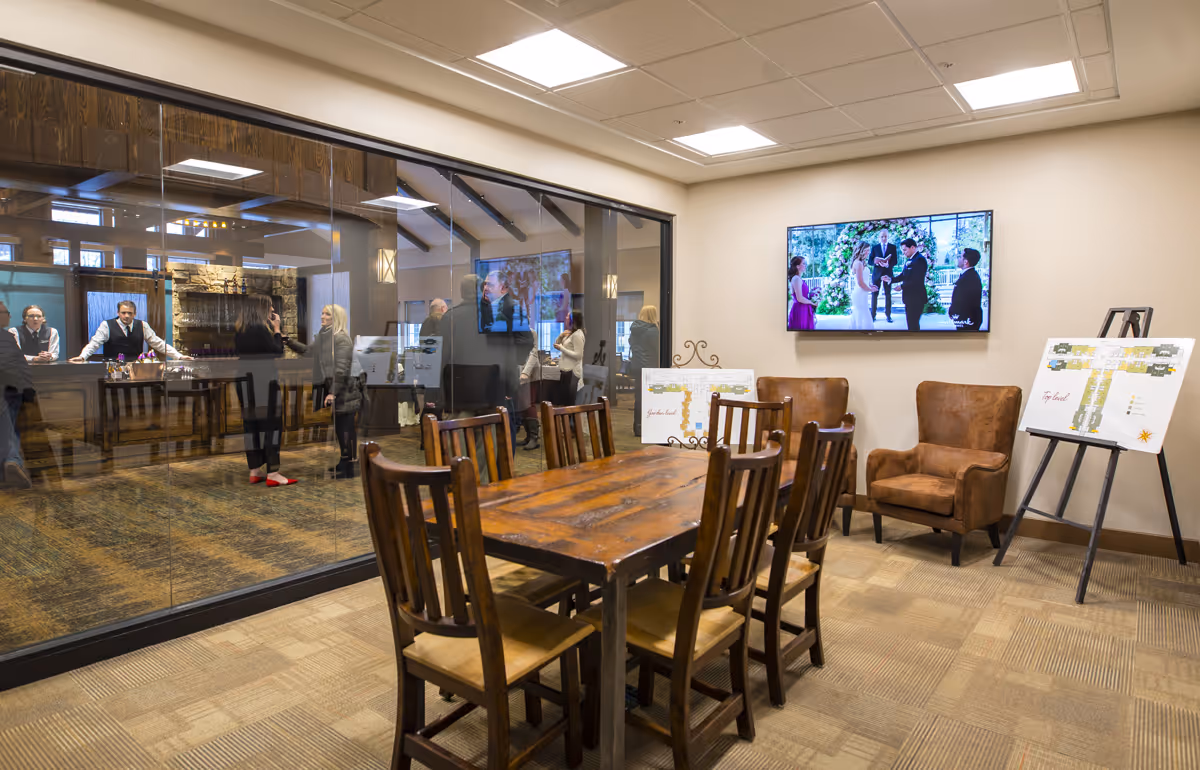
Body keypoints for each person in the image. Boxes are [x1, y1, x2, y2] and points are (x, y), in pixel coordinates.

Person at [286, 304, 362, 479]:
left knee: (345, 428)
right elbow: (308, 351)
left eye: (326, 314)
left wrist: (332, 392)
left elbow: (341, 369)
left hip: (345, 390)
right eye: (322, 313)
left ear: (335, 318)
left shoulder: (342, 339)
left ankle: (350, 465)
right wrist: (287, 340)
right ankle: (345, 460)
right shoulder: (323, 336)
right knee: (340, 427)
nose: (322, 316)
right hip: (335, 389)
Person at [233, 295, 296, 487]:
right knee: (271, 425)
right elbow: (276, 352)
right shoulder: (260, 329)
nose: (272, 310)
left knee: (252, 425)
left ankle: (255, 470)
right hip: (264, 381)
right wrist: (277, 330)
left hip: (245, 380)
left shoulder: (241, 329)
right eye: (270, 307)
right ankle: (273, 472)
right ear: (262, 309)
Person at [70, 300, 191, 361]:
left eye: (129, 313)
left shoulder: (142, 325)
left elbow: (158, 343)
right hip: (112, 369)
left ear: (135, 314)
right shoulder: (106, 325)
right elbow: (94, 343)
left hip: (136, 369)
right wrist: (82, 357)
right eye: (123, 313)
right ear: (118, 313)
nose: (126, 316)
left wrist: (179, 356)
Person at [0, 302, 33, 490]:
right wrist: (28, 389)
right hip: (9, 389)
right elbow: (19, 365)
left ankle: (10, 464)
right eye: (6, 313)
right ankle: (12, 462)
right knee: (11, 426)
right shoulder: (6, 336)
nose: (9, 317)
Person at [882, 238, 929, 331]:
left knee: (913, 325)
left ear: (912, 247)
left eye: (904, 250)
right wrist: (891, 279)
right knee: (911, 324)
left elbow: (917, 280)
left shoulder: (920, 260)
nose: (903, 252)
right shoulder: (910, 260)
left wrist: (902, 287)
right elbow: (904, 275)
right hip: (910, 298)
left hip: (916, 298)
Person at [628, 305, 660, 437]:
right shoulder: (653, 331)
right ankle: (649, 426)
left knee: (639, 398)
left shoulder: (634, 330)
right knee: (651, 398)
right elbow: (658, 350)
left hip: (637, 367)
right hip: (650, 368)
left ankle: (638, 427)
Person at [553, 311, 585, 405]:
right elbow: (556, 344)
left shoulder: (577, 335)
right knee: (564, 402)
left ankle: (571, 420)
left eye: (567, 316)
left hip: (572, 373)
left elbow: (579, 355)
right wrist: (561, 336)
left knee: (570, 403)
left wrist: (562, 348)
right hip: (565, 372)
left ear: (573, 319)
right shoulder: (570, 333)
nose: (565, 318)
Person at [949, 247, 984, 331]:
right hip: (965, 320)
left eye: (960, 257)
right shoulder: (969, 275)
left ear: (966, 262)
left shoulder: (969, 278)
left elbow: (964, 301)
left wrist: (954, 312)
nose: (958, 259)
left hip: (968, 321)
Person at [870, 231, 898, 322]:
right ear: (879, 237)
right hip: (877, 274)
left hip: (888, 273)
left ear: (888, 237)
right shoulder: (875, 248)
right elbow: (870, 261)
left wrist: (887, 265)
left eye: (885, 236)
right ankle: (873, 315)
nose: (884, 238)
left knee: (888, 294)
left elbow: (895, 261)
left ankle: (888, 315)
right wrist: (877, 262)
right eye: (882, 237)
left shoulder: (893, 247)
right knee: (874, 294)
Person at [848, 242, 877, 331]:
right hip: (859, 293)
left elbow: (864, 279)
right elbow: (860, 282)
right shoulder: (858, 263)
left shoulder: (861, 262)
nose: (868, 253)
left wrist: (870, 285)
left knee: (861, 315)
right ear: (861, 250)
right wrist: (870, 289)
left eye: (869, 250)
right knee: (862, 316)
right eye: (866, 251)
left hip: (862, 293)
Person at [786, 256, 816, 331]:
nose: (805, 265)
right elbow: (799, 298)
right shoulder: (796, 278)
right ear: (798, 266)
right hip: (800, 311)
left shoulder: (798, 278)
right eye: (804, 264)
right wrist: (812, 302)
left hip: (804, 309)